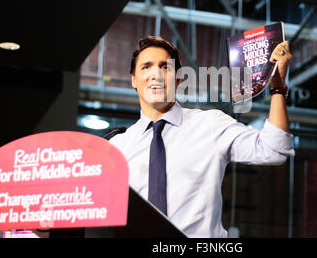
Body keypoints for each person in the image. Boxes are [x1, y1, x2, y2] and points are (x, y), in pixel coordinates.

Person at [109, 36, 294, 237]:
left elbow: (274, 150)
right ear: (134, 80)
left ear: (178, 79)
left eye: (165, 67)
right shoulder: (117, 147)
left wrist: (277, 88)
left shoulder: (210, 125)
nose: (156, 75)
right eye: (146, 67)